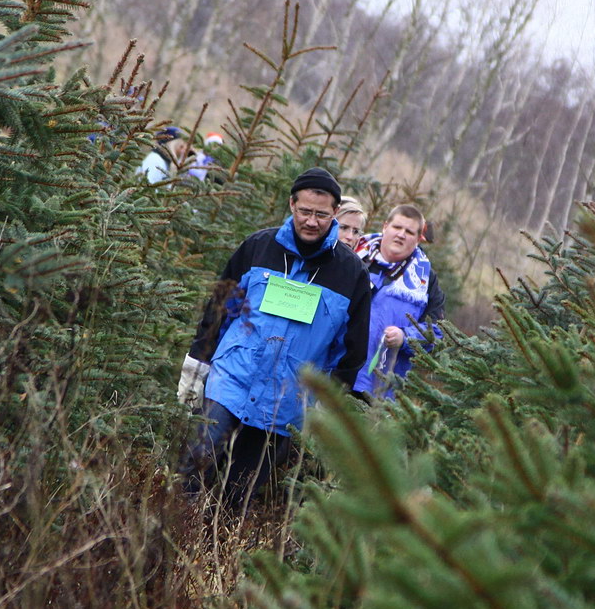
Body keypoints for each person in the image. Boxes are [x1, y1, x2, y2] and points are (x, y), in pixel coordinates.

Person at [176, 167, 372, 503]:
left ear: (335, 213)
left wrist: (330, 402)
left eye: (321, 215)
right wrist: (197, 364)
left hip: (287, 400)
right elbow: (219, 308)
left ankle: (218, 536)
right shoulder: (258, 247)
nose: (311, 222)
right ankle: (176, 525)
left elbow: (351, 349)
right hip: (231, 379)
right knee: (196, 462)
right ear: (292, 205)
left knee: (240, 492)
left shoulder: (351, 273)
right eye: (305, 211)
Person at [354, 203, 444, 399]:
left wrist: (405, 337)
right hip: (335, 374)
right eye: (397, 227)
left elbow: (436, 332)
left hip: (379, 389)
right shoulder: (354, 256)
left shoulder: (426, 280)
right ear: (385, 226)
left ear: (419, 239)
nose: (401, 235)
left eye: (409, 232)